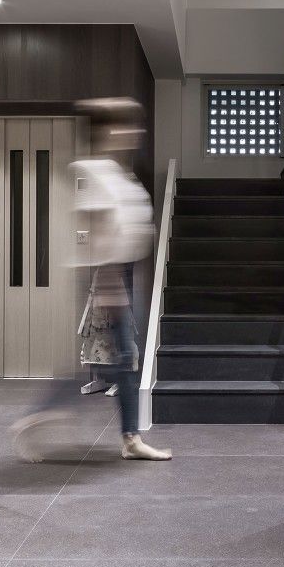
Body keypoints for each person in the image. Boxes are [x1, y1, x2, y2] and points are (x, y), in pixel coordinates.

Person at [72, 98, 172, 460]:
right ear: (111, 130)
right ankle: (130, 438)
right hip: (113, 274)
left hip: (126, 272)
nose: (137, 131)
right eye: (128, 123)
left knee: (125, 356)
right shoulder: (97, 172)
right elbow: (98, 229)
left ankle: (131, 438)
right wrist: (110, 285)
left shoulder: (118, 172)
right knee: (124, 356)